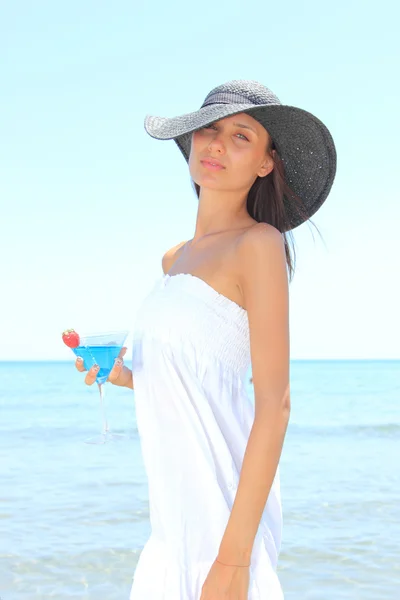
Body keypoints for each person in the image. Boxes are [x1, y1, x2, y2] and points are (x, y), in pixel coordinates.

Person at [75, 79, 337, 599]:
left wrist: (234, 561)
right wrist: (126, 375)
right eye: (209, 130)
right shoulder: (173, 259)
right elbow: (197, 375)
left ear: (266, 162)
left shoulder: (258, 245)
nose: (216, 144)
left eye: (241, 137)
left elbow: (275, 405)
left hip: (220, 517)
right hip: (172, 522)